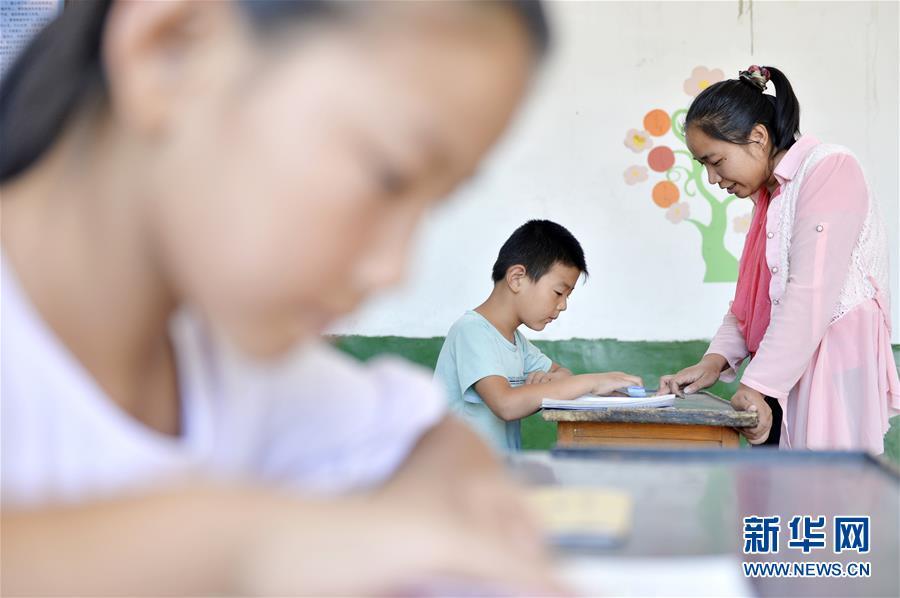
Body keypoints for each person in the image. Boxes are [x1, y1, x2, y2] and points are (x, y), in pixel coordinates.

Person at [0, 1, 565, 594]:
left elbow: (429, 445)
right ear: (172, 48)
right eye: (390, 176)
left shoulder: (230, 369)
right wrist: (252, 546)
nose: (392, 269)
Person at [659, 65, 899, 452]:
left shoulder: (829, 168)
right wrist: (713, 362)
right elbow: (752, 304)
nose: (712, 179)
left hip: (830, 364)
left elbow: (811, 292)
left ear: (758, 137)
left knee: (823, 484)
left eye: (716, 161)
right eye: (704, 166)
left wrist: (758, 386)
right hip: (782, 370)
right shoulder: (770, 197)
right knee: (782, 484)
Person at [434, 219, 642, 451]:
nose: (563, 305)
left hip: (498, 470)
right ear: (517, 278)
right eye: (559, 292)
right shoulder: (471, 331)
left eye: (567, 296)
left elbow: (563, 374)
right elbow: (506, 405)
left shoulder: (516, 342)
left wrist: (553, 379)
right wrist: (592, 382)